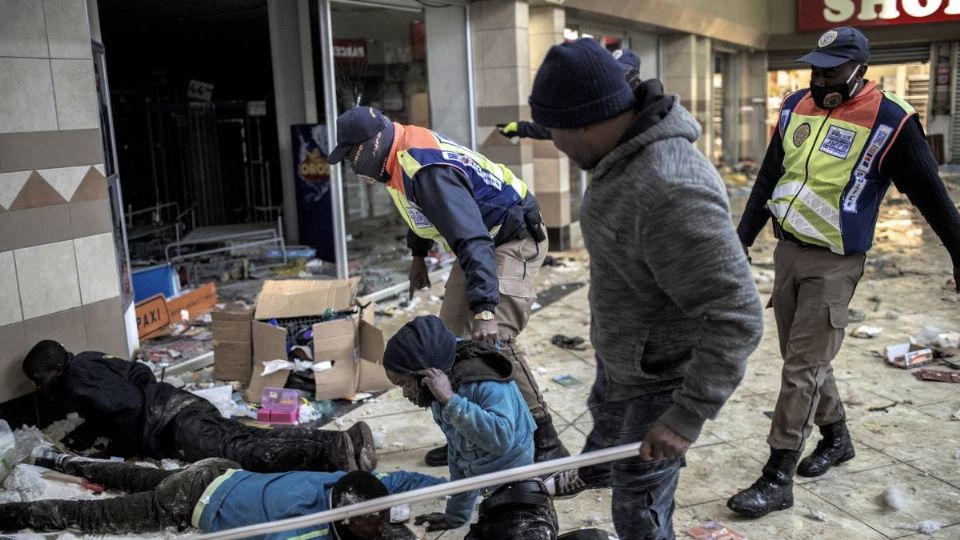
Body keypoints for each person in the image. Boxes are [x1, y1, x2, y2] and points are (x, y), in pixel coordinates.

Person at [528, 38, 763, 540]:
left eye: (556, 130)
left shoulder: (669, 188)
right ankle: (594, 467)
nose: (555, 144)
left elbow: (738, 313)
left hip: (663, 383)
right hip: (626, 364)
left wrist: (686, 416)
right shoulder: (618, 154)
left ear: (588, 119)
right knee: (607, 448)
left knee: (639, 509)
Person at [728, 27, 960, 519]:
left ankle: (776, 476)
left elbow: (932, 197)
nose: (819, 78)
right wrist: (741, 240)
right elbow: (770, 178)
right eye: (815, 68)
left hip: (835, 262)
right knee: (804, 358)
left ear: (858, 70)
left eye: (830, 70)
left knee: (801, 369)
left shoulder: (891, 120)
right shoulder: (795, 106)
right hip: (788, 252)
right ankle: (837, 438)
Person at [325, 106, 568, 466]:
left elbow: (472, 239)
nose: (352, 167)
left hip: (510, 236)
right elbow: (420, 211)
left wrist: (485, 308)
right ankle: (466, 431)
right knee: (451, 338)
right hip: (482, 239)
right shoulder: (397, 158)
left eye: (351, 156)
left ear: (371, 145)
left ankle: (546, 438)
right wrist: (418, 256)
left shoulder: (425, 169)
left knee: (494, 337)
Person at [23, 340, 375, 474]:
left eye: (39, 379)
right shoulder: (89, 359)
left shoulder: (78, 376)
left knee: (247, 452)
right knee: (246, 439)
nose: (40, 388)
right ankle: (341, 442)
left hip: (174, 425)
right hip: (180, 407)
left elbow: (127, 409)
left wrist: (118, 448)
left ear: (55, 369)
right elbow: (138, 374)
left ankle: (336, 450)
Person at [0, 449, 440, 538]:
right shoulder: (299, 529)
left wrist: (456, 487)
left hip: (217, 471)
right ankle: (14, 516)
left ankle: (52, 457)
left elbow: (397, 481)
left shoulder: (334, 484)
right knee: (97, 516)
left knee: (132, 474)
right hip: (189, 502)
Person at [382, 316, 558, 538]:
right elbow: (461, 459)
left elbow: (501, 439)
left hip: (516, 482)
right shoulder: (441, 390)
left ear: (427, 374)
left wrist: (450, 400)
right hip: (488, 479)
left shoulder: (481, 382)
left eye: (404, 384)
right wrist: (455, 516)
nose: (406, 393)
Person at [498, 48, 643, 141]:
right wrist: (521, 128)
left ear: (634, 75)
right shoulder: (608, 106)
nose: (614, 79)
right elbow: (564, 127)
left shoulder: (644, 108)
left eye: (621, 73)